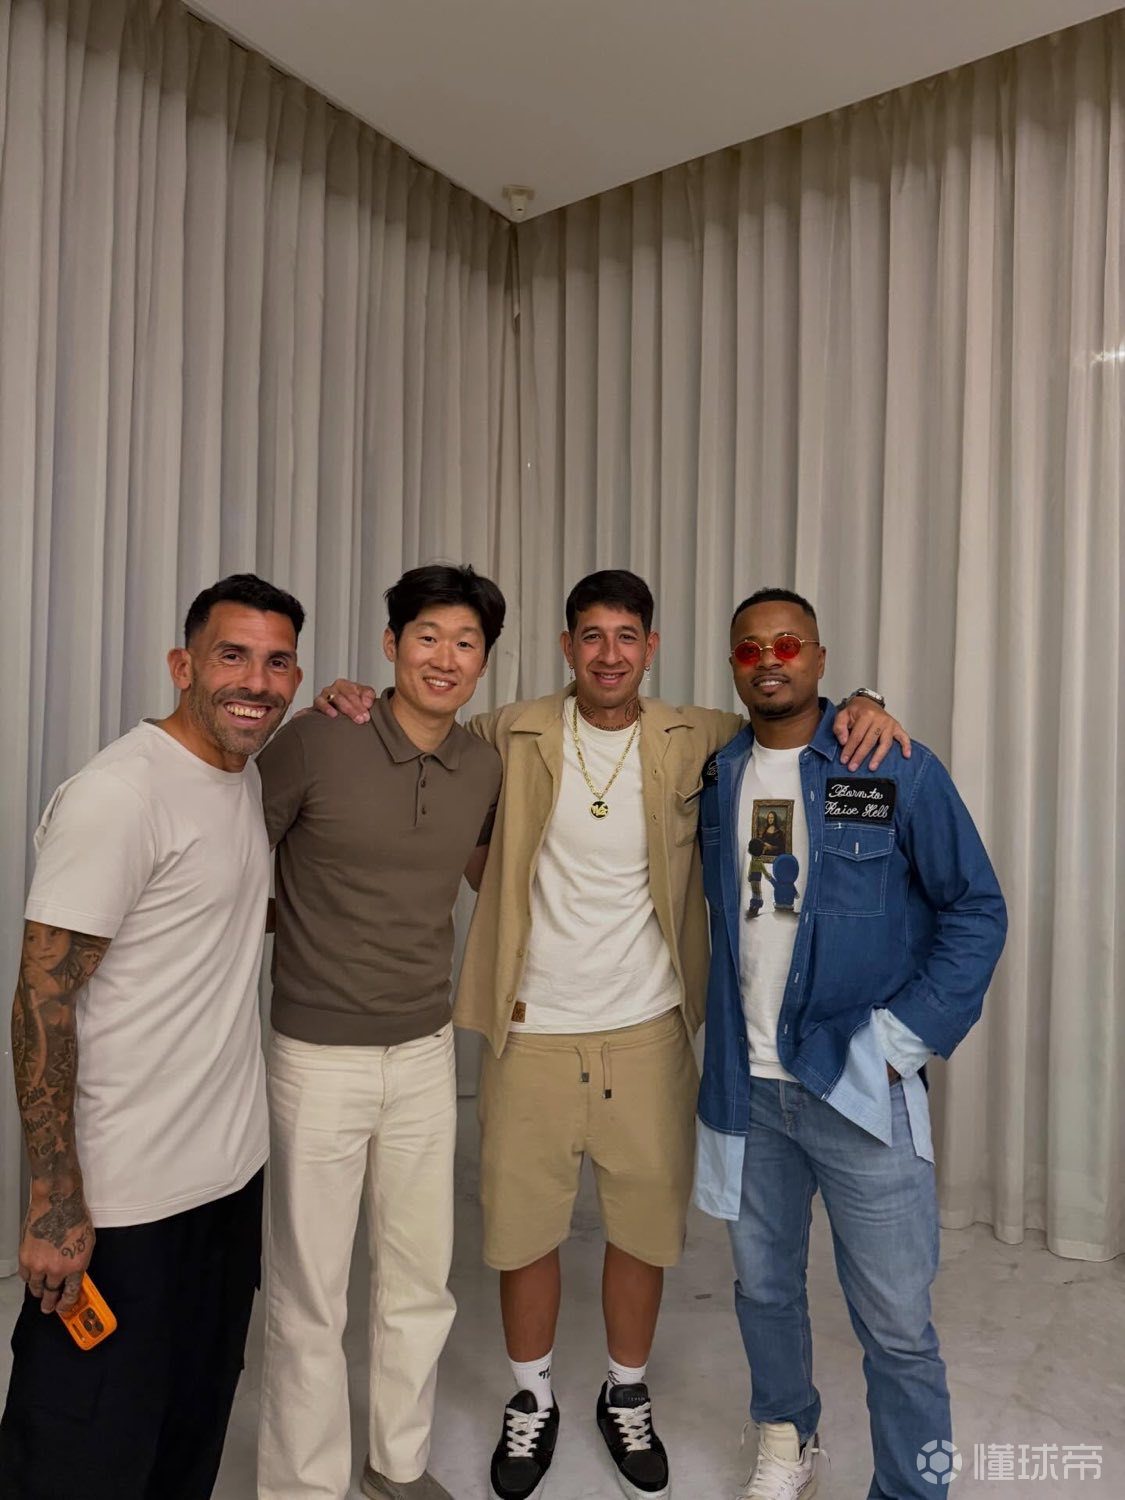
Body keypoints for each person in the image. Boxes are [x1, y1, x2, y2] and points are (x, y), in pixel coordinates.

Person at [316, 570, 908, 1500]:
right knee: (523, 1233)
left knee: (642, 1230)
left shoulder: (695, 737)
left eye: (626, 636)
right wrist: (351, 699)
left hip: (647, 1031)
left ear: (651, 648)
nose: (608, 654)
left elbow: (787, 718)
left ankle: (624, 1390)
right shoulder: (507, 731)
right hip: (530, 1030)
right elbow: (417, 734)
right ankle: (531, 1396)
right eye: (590, 636)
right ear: (566, 647)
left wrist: (862, 702)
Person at [694, 588, 1007, 1500]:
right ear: (732, 664)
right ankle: (788, 1437)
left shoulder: (891, 766)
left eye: (788, 644)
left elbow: (975, 908)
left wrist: (899, 1042)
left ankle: (912, 1486)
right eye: (749, 648)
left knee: (897, 1324)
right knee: (763, 1292)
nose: (769, 660)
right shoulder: (716, 773)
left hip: (858, 1085)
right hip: (747, 1090)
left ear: (821, 659)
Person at [0, 573, 305, 1500]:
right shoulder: (120, 794)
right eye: (231, 656)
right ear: (182, 664)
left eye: (278, 663)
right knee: (82, 1454)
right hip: (125, 1199)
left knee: (189, 1432)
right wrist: (54, 1199)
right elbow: (42, 999)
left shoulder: (241, 778)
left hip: (226, 1181)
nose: (255, 682)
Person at [255, 565, 506, 1500]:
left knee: (417, 1283)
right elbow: (232, 863)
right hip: (315, 1058)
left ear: (483, 661)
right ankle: (303, 1487)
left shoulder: (482, 764)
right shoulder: (317, 739)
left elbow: (489, 873)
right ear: (392, 644)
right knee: (309, 1295)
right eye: (427, 636)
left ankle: (396, 1467)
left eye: (466, 643)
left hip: (426, 1052)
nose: (445, 657)